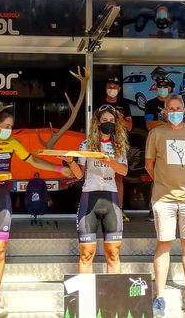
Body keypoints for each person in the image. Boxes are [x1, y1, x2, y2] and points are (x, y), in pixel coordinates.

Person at [0, 111, 71, 317]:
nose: (9, 130)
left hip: (2, 201)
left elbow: (34, 161)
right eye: (6, 126)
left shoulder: (12, 143)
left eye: (11, 127)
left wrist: (59, 169)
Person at [146, 94, 185, 318]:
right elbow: (149, 164)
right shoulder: (156, 133)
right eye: (170, 108)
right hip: (164, 198)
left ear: (184, 109)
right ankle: (159, 297)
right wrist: (165, 182)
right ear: (164, 111)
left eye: (178, 108)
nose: (174, 111)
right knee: (164, 244)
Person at [64, 104, 129, 274]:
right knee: (86, 254)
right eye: (105, 120)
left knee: (113, 254)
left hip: (111, 198)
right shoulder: (86, 144)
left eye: (112, 120)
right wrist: (70, 162)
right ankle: (85, 290)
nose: (108, 123)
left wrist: (109, 161)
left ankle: (114, 290)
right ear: (97, 122)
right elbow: (79, 175)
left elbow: (124, 171)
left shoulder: (119, 145)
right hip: (89, 198)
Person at [103, 77, 133, 220]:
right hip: (102, 142)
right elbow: (93, 123)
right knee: (100, 175)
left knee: (118, 177)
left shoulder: (124, 104)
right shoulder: (99, 103)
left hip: (118, 143)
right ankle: (101, 209)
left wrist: (119, 118)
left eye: (115, 87)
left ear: (119, 89)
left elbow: (130, 127)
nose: (112, 89)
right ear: (106, 87)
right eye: (110, 86)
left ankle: (119, 210)